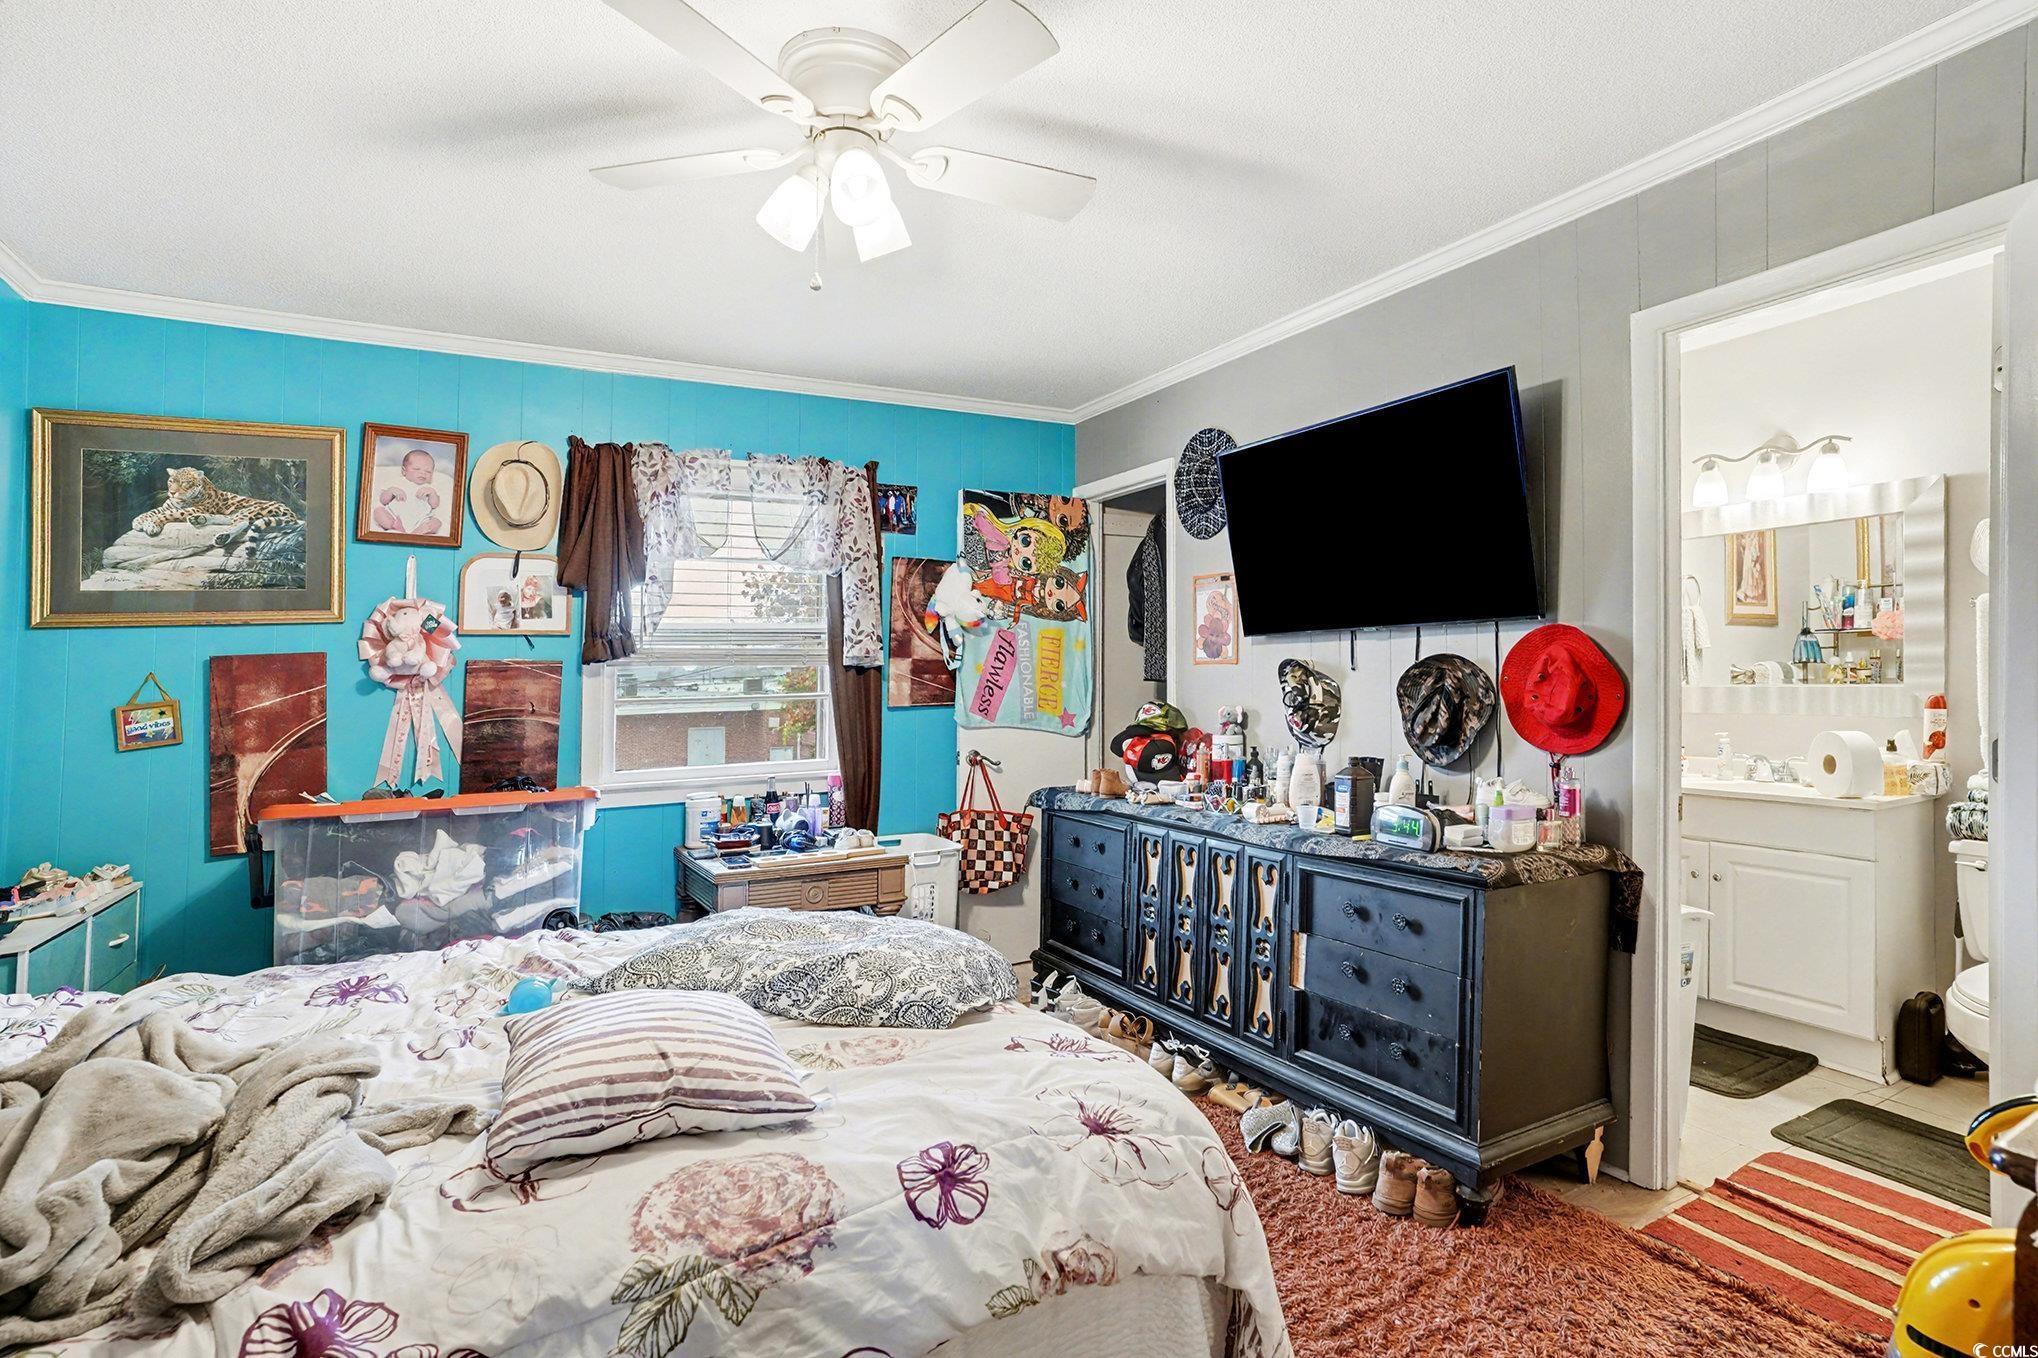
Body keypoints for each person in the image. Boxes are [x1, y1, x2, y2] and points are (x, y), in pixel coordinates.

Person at [372, 446, 453, 537]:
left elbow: (435, 505)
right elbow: (383, 500)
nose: (423, 473)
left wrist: (432, 493)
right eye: (417, 469)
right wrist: (391, 491)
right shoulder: (397, 482)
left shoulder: (430, 487)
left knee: (437, 522)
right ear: (404, 471)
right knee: (378, 512)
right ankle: (396, 527)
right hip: (395, 517)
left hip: (421, 520)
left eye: (428, 471)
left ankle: (420, 531)